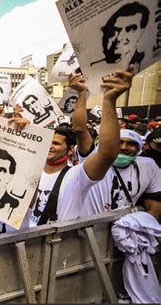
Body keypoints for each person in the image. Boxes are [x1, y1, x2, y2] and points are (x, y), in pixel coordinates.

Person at [30, 66, 136, 227]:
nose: (50, 147)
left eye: (56, 143)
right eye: (48, 142)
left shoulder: (77, 176)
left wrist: (109, 100)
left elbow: (106, 154)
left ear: (71, 150)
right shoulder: (30, 171)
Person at [79, 129, 161, 217]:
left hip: (126, 226)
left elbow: (155, 201)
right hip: (88, 226)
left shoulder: (148, 166)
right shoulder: (93, 159)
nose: (123, 147)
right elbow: (80, 130)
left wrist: (141, 223)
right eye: (119, 142)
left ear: (139, 149)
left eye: (131, 144)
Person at [90, 2, 150, 72]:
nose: (120, 37)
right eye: (117, 30)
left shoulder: (149, 61)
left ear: (141, 32)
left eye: (130, 29)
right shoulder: (96, 67)